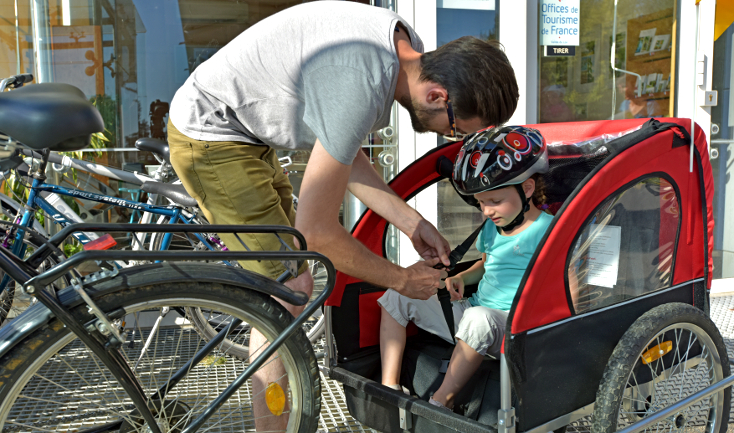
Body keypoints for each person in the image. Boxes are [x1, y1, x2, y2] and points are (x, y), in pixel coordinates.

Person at [167, 1, 518, 429]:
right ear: (437, 95)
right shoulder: (363, 82)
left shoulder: (401, 51)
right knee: (286, 291)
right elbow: (316, 233)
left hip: (249, 137)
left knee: (290, 280)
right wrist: (401, 280)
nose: (449, 136)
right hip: (214, 132)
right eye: (456, 129)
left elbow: (344, 150)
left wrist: (411, 221)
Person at [378, 126, 552, 410]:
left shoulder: (550, 230)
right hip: (475, 313)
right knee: (398, 294)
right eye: (481, 203)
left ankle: (439, 402)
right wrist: (460, 276)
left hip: (515, 328)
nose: (486, 211)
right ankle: (390, 388)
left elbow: (566, 284)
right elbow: (487, 264)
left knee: (479, 320)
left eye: (494, 201)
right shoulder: (493, 227)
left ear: (528, 189)